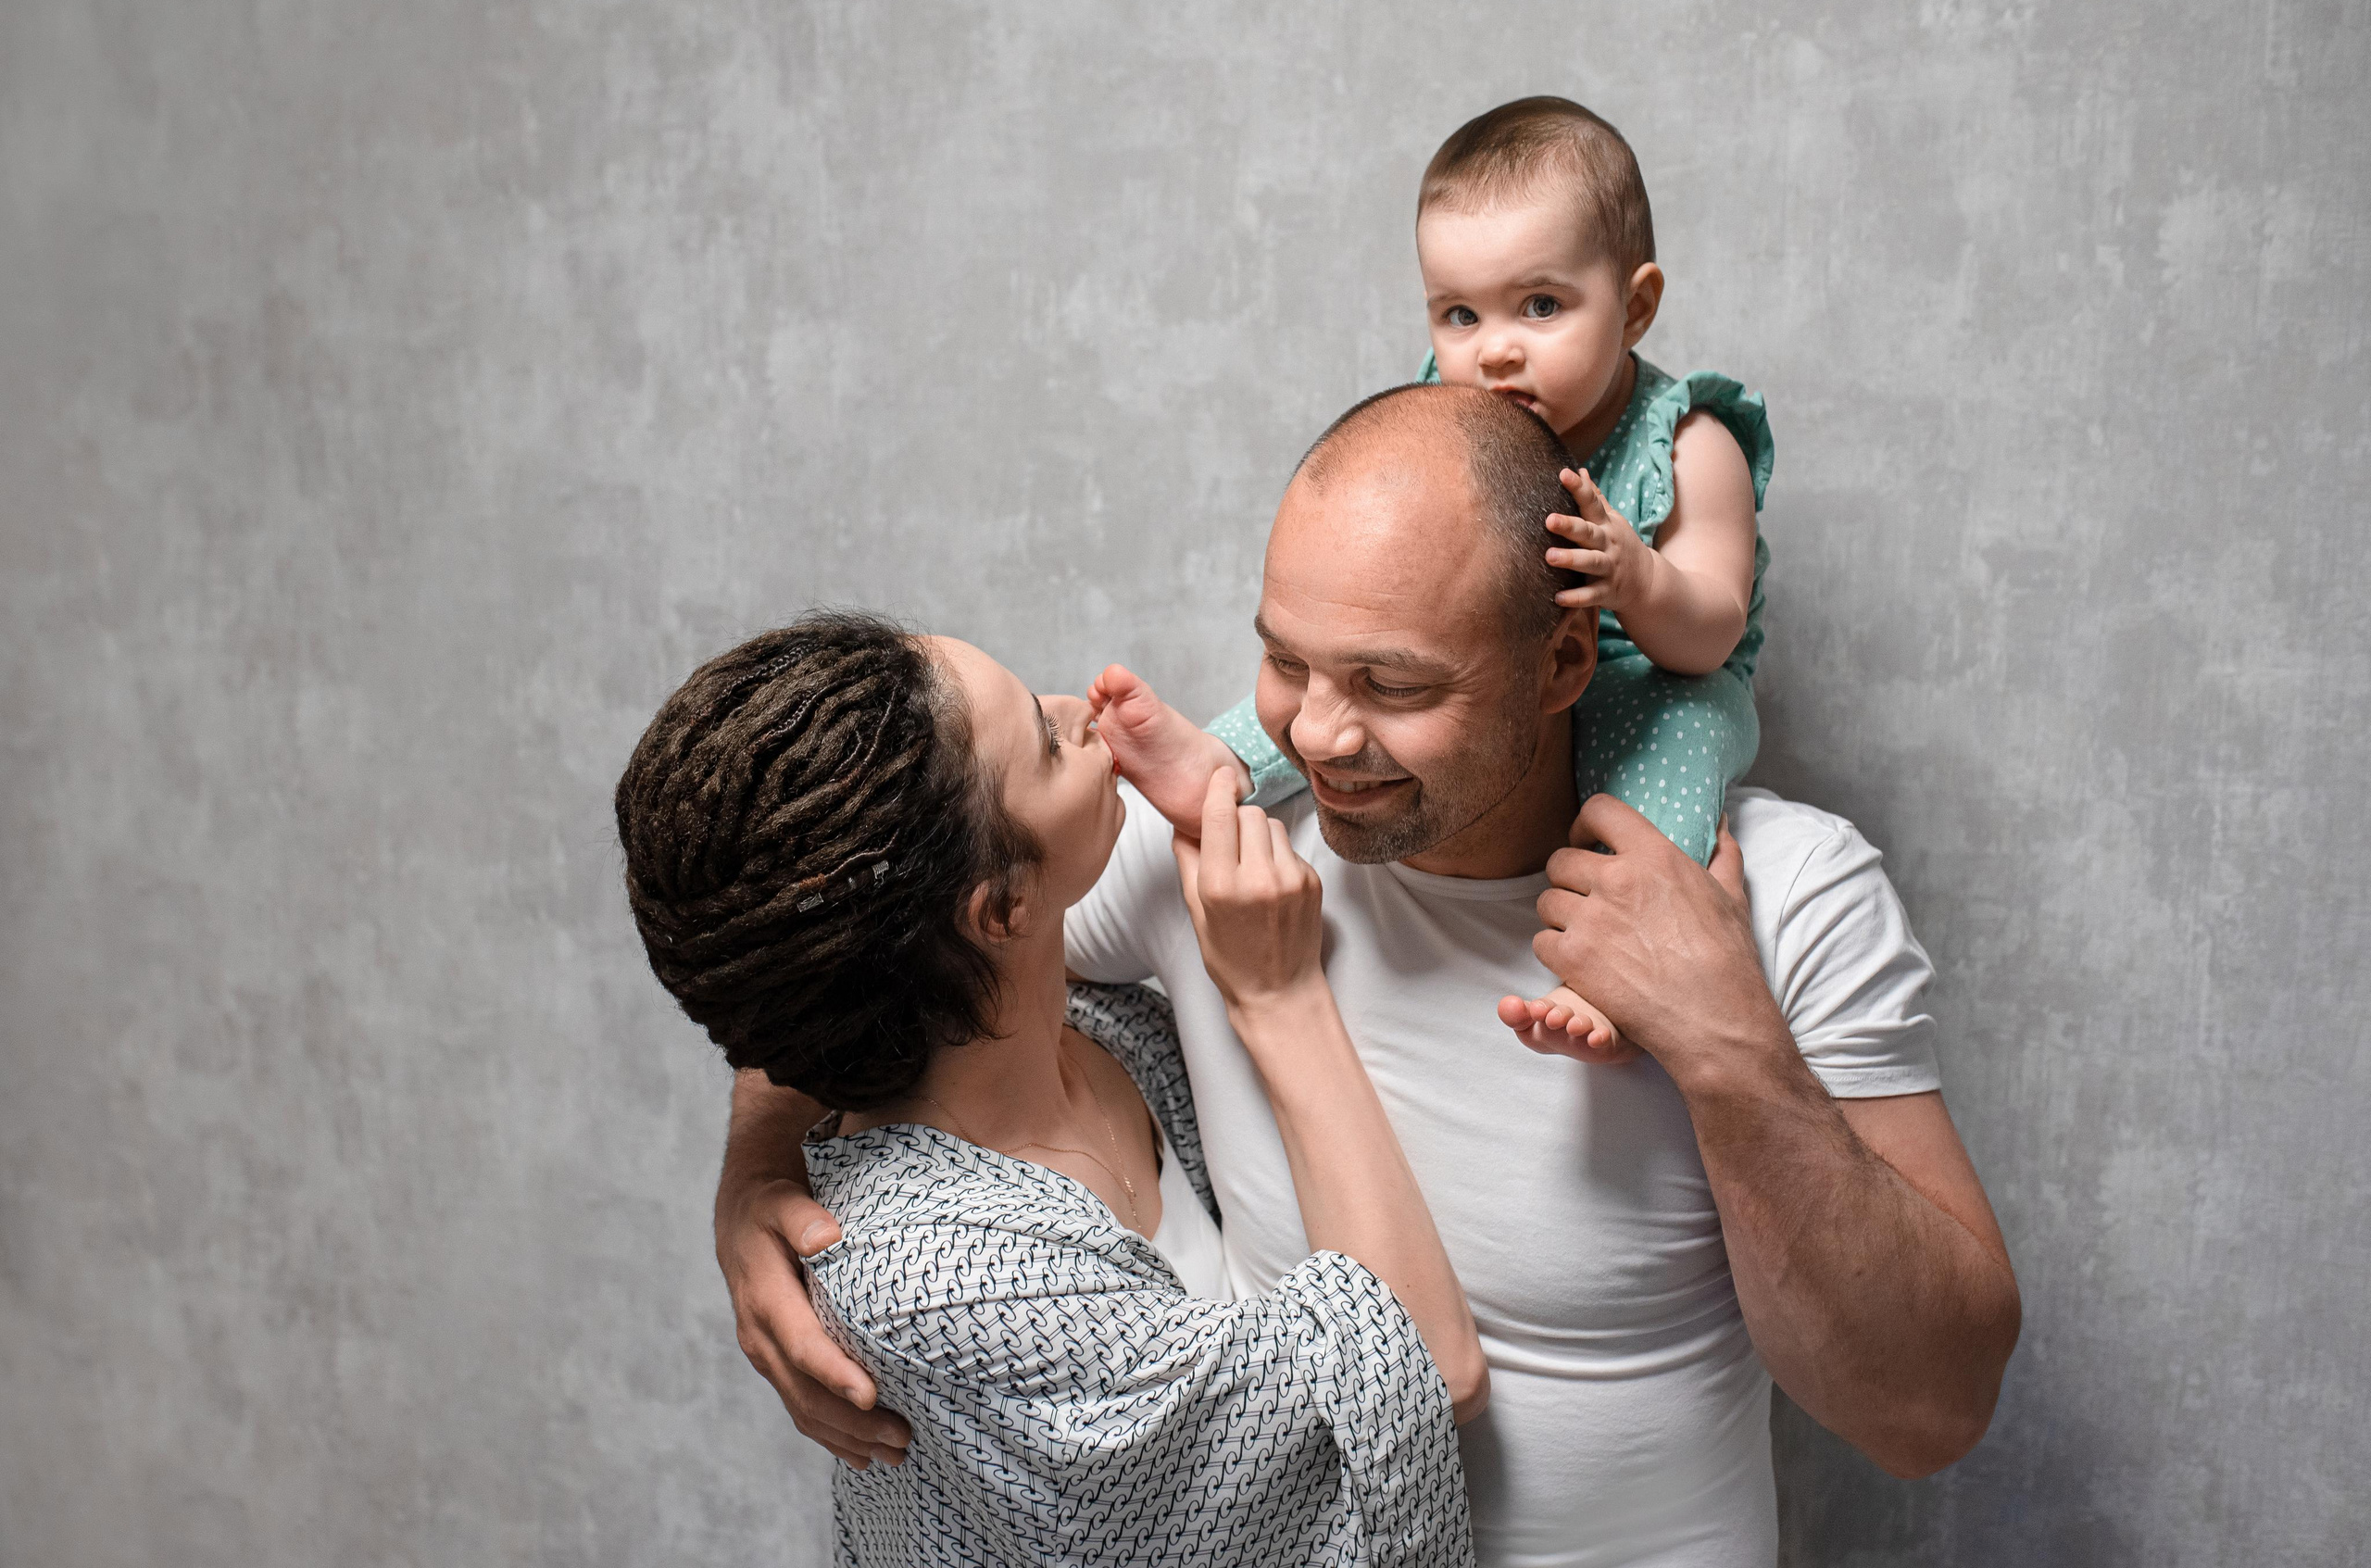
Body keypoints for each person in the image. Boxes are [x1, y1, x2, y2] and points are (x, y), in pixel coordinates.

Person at [723, 388, 2021, 1567]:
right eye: (1287, 663)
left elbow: (1929, 1410)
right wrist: (761, 1180)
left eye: (1394, 686)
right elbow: (863, 932)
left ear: (1565, 662)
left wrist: (1730, 1044)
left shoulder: (1781, 897)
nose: (1322, 735)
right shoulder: (1214, 854)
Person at [614, 613, 1487, 1566]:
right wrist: (1280, 995)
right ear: (1001, 910)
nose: (1081, 712)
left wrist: (752, 1168)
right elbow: (1421, 1371)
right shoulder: (951, 1286)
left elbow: (798, 929)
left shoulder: (1075, 1025)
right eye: (1041, 732)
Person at [1114, 94, 1771, 1058]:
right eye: (1459, 312)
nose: (1494, 346)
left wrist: (1636, 577)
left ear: (1634, 304)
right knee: (1332, 675)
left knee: (1659, 773)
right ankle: (1220, 765)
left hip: (1651, 668)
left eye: (1541, 305)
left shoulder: (1686, 444)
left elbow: (1711, 630)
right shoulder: (1450, 403)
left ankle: (1636, 963)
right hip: (1484, 671)